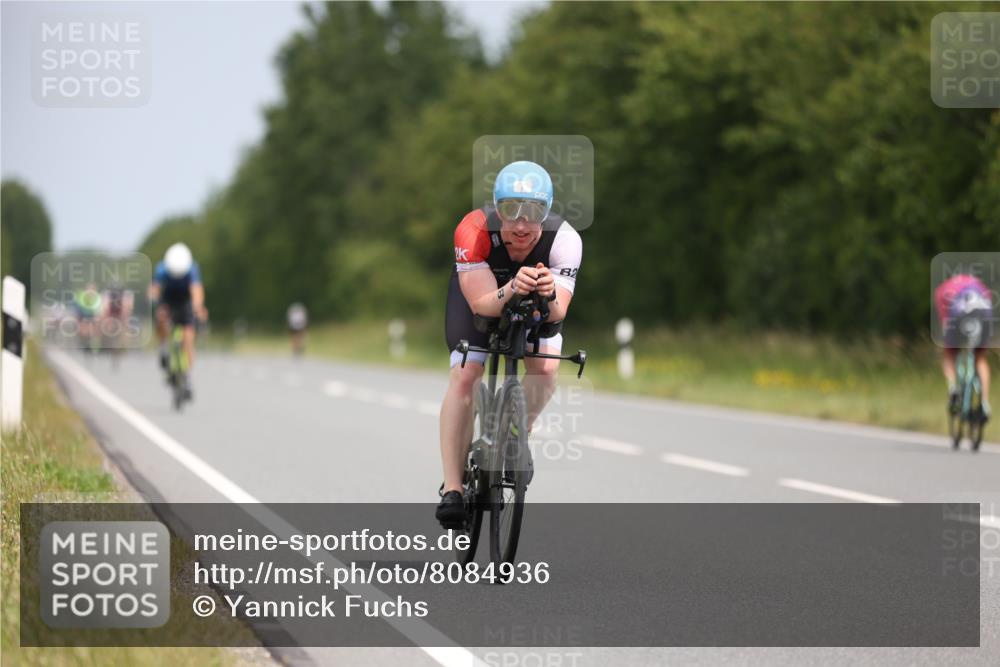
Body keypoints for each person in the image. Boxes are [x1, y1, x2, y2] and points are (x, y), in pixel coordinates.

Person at [436, 161, 582, 527]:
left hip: (535, 303)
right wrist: (513, 286)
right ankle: (453, 488)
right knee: (467, 375)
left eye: (532, 212)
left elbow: (558, 311)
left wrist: (546, 294)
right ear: (495, 208)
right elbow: (482, 305)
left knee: (547, 369)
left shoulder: (564, 239)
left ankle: (519, 430)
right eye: (509, 211)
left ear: (546, 211)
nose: (520, 224)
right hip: (484, 293)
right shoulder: (473, 230)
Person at [934, 273, 993, 421]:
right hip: (984, 313)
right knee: (980, 358)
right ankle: (985, 403)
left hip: (958, 314)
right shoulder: (978, 284)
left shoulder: (943, 289)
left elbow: (945, 320)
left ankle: (953, 388)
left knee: (949, 355)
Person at [149, 243, 207, 394]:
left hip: (185, 301)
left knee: (188, 338)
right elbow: (155, 290)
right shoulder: (162, 269)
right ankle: (163, 348)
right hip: (167, 299)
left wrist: (198, 308)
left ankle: (187, 376)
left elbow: (197, 291)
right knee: (161, 319)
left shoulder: (192, 269)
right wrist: (155, 302)